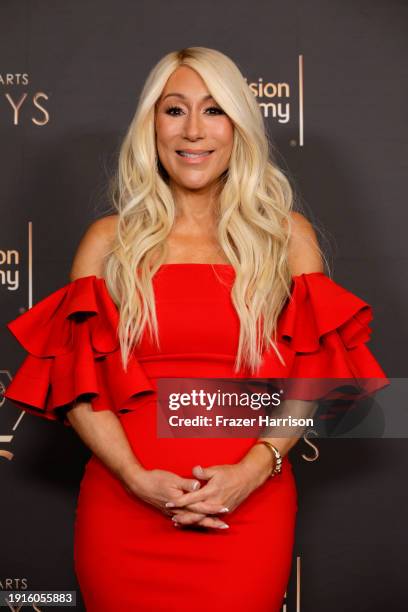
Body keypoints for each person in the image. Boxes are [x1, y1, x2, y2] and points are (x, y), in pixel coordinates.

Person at [4, 47, 388, 612]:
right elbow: (79, 386)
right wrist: (136, 478)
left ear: (238, 127)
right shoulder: (108, 241)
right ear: (151, 125)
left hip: (249, 511)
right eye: (174, 109)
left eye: (213, 111)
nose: (192, 131)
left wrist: (252, 472)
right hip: (125, 510)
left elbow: (318, 374)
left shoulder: (285, 236)